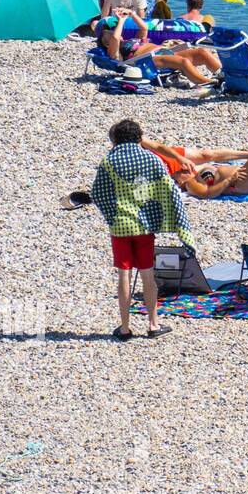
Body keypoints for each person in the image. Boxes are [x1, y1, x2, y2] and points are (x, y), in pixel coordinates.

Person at [90, 119, 193, 340]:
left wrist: (112, 214)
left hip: (120, 227)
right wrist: (160, 216)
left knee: (123, 275)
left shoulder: (109, 161)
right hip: (144, 226)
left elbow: (97, 193)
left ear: (115, 139)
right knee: (147, 274)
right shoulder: (151, 159)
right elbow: (168, 189)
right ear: (139, 138)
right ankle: (153, 324)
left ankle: (125, 328)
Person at [104, 9, 223, 85]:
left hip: (165, 52)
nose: (115, 33)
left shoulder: (133, 40)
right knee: (184, 62)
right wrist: (120, 21)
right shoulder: (115, 52)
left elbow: (144, 28)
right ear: (107, 44)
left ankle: (224, 75)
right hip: (150, 60)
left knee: (202, 52)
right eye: (109, 34)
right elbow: (115, 38)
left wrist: (131, 14)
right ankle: (210, 83)